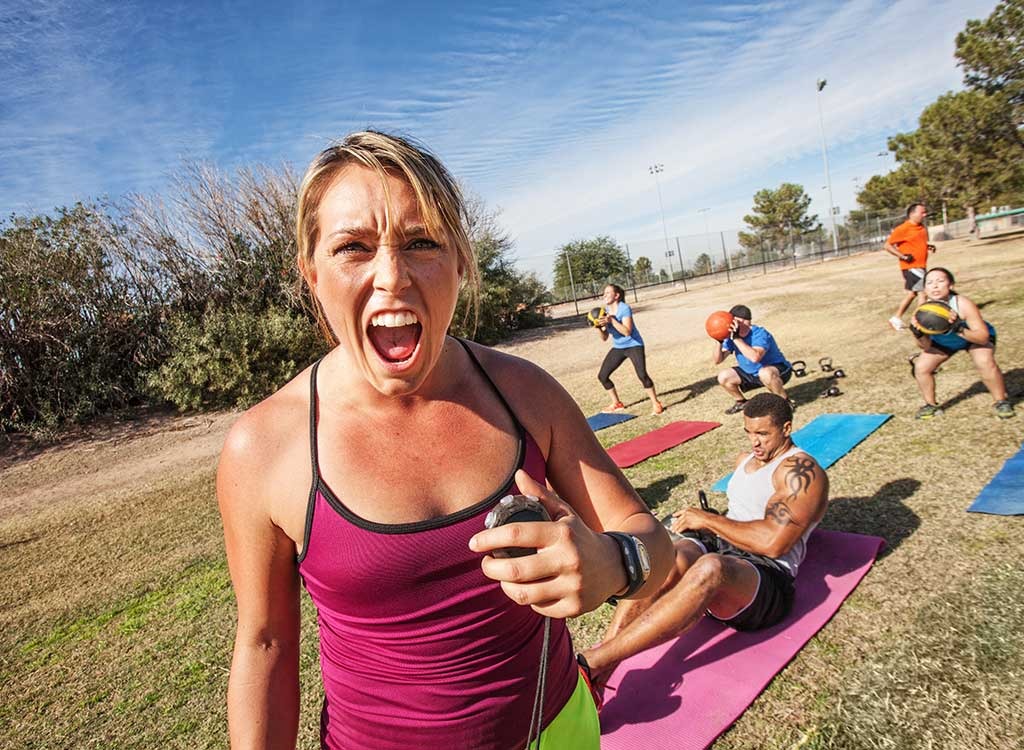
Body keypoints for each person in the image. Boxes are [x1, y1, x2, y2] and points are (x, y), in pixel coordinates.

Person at [216, 131, 673, 750]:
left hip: (560, 729)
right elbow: (265, 643)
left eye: (421, 242)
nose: (392, 277)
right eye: (353, 247)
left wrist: (615, 564)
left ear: (459, 261)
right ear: (311, 274)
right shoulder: (264, 446)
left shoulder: (526, 394)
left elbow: (654, 546)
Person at [579, 394, 829, 699]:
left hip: (766, 576)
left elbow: (773, 543)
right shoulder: (747, 460)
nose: (755, 442)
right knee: (662, 556)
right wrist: (707, 522)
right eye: (749, 433)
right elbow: (739, 514)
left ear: (787, 428)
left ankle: (593, 661)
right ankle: (597, 679)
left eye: (763, 434)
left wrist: (708, 521)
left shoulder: (802, 472)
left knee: (712, 568)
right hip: (725, 545)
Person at [908, 267, 1015, 420]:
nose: (935, 286)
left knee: (984, 361)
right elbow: (925, 346)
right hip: (945, 342)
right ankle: (930, 405)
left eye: (940, 281)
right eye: (930, 282)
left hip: (973, 337)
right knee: (922, 367)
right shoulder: (923, 311)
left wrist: (958, 328)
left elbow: (982, 337)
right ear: (925, 289)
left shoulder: (963, 304)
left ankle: (1001, 401)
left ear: (950, 286)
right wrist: (917, 333)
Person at [595, 283, 665, 414]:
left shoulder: (624, 308)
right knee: (602, 376)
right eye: (604, 293)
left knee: (642, 375)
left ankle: (656, 403)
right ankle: (617, 403)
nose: (604, 295)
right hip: (618, 347)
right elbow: (604, 337)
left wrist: (612, 321)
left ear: (617, 296)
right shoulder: (605, 312)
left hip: (634, 345)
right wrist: (598, 327)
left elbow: (627, 331)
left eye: (608, 293)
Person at [713, 304, 793, 415]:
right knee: (724, 376)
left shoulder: (760, 334)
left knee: (765, 373)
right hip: (752, 374)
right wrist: (719, 341)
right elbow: (717, 360)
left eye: (734, 322)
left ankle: (785, 403)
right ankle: (741, 402)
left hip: (777, 371)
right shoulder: (732, 336)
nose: (731, 325)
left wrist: (736, 338)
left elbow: (755, 357)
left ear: (745, 322)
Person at [884, 203, 936, 331]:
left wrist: (927, 246)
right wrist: (902, 256)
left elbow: (916, 243)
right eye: (922, 213)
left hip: (921, 265)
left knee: (912, 294)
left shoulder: (921, 228)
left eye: (925, 213)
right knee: (923, 292)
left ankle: (896, 318)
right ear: (912, 214)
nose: (924, 215)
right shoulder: (903, 229)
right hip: (912, 266)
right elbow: (887, 246)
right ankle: (918, 321)